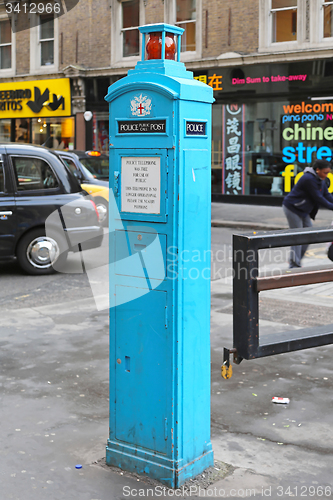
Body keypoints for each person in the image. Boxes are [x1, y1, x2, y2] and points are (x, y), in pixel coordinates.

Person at [282, 159, 333, 268]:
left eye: (328, 173)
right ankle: (294, 264)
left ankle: (297, 260)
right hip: (292, 208)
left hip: (303, 210)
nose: (326, 175)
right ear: (318, 170)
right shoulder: (308, 179)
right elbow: (318, 198)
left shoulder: (320, 179)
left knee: (309, 235)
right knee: (298, 236)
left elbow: (327, 195)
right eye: (325, 172)